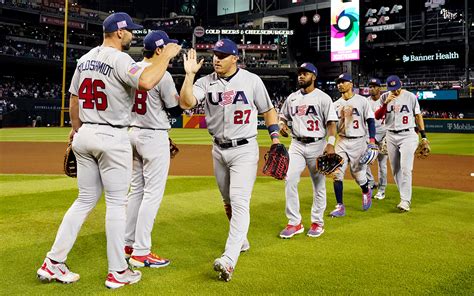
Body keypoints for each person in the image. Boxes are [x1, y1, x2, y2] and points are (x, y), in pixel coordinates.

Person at [36, 12, 181, 289]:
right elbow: (147, 81)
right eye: (130, 32)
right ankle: (118, 271)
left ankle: (52, 262)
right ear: (119, 32)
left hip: (85, 133)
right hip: (112, 136)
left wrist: (77, 130)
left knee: (83, 201)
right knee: (116, 205)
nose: (133, 36)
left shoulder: (85, 58)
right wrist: (166, 56)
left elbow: (74, 99)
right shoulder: (120, 59)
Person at [179, 39, 281, 282]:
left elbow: (268, 110)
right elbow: (186, 102)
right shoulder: (205, 82)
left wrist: (275, 138)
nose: (216, 59)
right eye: (215, 54)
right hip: (218, 149)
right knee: (228, 202)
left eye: (223, 55)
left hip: (244, 149)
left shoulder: (252, 80)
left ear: (235, 58)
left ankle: (229, 259)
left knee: (239, 200)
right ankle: (242, 240)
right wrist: (189, 76)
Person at [124, 30, 183, 268]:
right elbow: (175, 110)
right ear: (159, 50)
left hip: (132, 133)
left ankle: (127, 243)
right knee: (151, 194)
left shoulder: (131, 68)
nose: (171, 50)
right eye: (167, 48)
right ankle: (141, 251)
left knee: (136, 190)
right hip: (153, 136)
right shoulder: (163, 74)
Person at [277, 63, 338, 238]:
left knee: (318, 184)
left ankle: (317, 222)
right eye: (299, 74)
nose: (301, 76)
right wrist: (282, 125)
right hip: (296, 144)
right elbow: (283, 116)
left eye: (305, 73)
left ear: (314, 76)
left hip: (317, 144)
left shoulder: (323, 98)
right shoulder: (292, 98)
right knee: (289, 179)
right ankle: (294, 223)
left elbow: (331, 124)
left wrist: (331, 143)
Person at [374, 75, 428, 212]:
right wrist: (386, 103)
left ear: (401, 84)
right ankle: (403, 195)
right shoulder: (384, 97)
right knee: (395, 169)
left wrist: (424, 137)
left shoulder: (410, 97)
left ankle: (405, 200)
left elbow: (418, 116)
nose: (395, 91)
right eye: (392, 89)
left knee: (406, 168)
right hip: (391, 135)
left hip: (408, 135)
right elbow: (377, 116)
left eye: (397, 88)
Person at [329, 73, 376, 217]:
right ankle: (340, 206)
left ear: (351, 84)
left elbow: (370, 121)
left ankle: (366, 190)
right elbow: (332, 125)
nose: (340, 84)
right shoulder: (335, 104)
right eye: (338, 82)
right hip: (342, 141)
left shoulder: (362, 101)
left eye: (343, 82)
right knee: (337, 173)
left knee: (358, 174)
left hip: (359, 141)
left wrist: (372, 141)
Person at [365, 78, 388, 200]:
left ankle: (382, 190)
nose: (372, 88)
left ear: (380, 88)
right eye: (370, 86)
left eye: (374, 86)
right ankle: (371, 182)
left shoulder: (385, 100)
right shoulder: (365, 102)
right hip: (370, 137)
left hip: (384, 136)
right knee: (364, 161)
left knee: (382, 165)